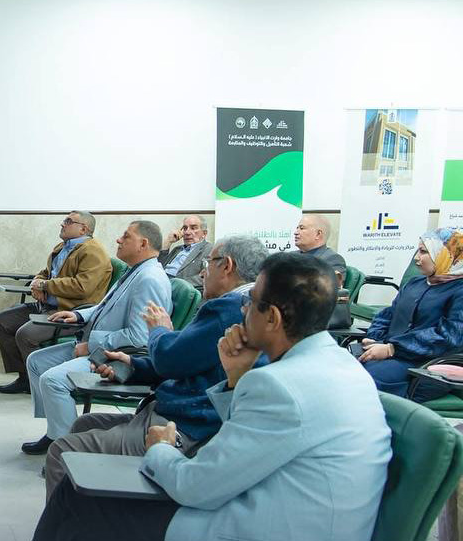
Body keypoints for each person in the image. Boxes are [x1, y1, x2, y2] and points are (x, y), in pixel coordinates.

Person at [33, 252, 391, 541]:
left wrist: (160, 448)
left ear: (272, 318)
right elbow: (255, 441)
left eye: (250, 301)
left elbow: (195, 487)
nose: (243, 309)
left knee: (76, 500)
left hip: (266, 526)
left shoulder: (281, 386)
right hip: (301, 513)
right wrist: (236, 378)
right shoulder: (340, 365)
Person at [43, 235, 270, 500]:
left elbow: (169, 358)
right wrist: (134, 365)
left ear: (227, 266)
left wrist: (160, 331)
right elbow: (191, 359)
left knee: (61, 451)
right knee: (84, 424)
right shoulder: (240, 306)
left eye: (208, 262)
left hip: (184, 424)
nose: (202, 272)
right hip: (176, 410)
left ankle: (74, 520)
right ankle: (94, 512)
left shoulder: (228, 307)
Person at [21, 220, 172, 455]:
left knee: (52, 380)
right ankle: (55, 431)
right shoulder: (135, 270)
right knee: (36, 362)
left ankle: (66, 449)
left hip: (118, 356)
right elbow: (105, 306)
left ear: (143, 244)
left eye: (126, 236)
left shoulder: (149, 279)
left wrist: (91, 346)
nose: (119, 239)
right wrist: (78, 314)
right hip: (96, 344)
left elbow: (139, 336)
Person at [0, 211, 112, 394]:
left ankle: (40, 384)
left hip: (68, 312)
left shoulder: (93, 251)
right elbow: (46, 272)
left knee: (26, 335)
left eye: (68, 221)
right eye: (64, 220)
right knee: (2, 321)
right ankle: (25, 378)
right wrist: (37, 283)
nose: (62, 224)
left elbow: (82, 287)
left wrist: (45, 286)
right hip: (46, 306)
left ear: (83, 229)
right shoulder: (63, 247)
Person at [357, 227, 463, 402]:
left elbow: (449, 337)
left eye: (423, 252)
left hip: (425, 367)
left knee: (362, 379)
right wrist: (375, 338)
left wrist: (392, 349)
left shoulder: (459, 291)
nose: (416, 258)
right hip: (390, 354)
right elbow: (387, 315)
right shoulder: (415, 283)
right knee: (343, 366)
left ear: (446, 255)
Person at [159, 214, 213, 291]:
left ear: (204, 233)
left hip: (177, 289)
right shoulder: (177, 249)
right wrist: (168, 241)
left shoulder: (209, 249)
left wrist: (174, 284)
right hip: (160, 282)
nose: (187, 232)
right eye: (185, 228)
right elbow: (158, 265)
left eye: (193, 228)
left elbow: (207, 277)